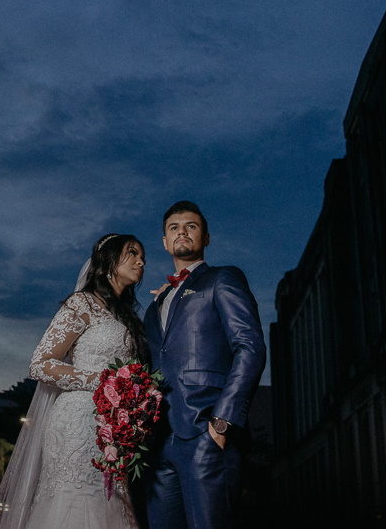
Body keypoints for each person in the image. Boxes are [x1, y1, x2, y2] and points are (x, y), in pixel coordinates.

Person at [0, 233, 148, 529]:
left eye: (142, 257)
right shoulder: (81, 304)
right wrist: (102, 381)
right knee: (79, 499)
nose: (141, 262)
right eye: (132, 253)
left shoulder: (126, 317)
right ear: (109, 260)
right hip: (77, 422)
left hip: (112, 427)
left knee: (111, 501)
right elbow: (40, 364)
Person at [144, 200, 266, 529]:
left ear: (207, 238)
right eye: (174, 228)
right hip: (159, 442)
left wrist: (223, 422)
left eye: (191, 226)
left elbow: (250, 346)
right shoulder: (153, 306)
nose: (182, 231)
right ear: (165, 242)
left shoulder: (223, 278)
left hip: (205, 432)